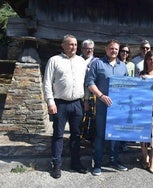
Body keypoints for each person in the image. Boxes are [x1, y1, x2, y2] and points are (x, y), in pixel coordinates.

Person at [43, 34, 88, 179]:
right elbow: (47, 83)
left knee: (76, 135)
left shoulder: (82, 61)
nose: (73, 47)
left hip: (77, 103)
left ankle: (75, 162)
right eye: (70, 44)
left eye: (75, 44)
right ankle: (56, 165)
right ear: (63, 45)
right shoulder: (54, 60)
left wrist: (86, 100)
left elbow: (86, 83)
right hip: (60, 104)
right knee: (58, 135)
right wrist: (50, 102)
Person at [85, 39, 129, 176]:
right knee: (100, 135)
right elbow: (89, 82)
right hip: (103, 106)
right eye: (112, 48)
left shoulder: (123, 66)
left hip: (118, 108)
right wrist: (100, 95)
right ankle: (97, 164)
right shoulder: (97, 64)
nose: (114, 51)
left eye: (116, 49)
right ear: (106, 49)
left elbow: (128, 84)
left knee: (115, 135)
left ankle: (114, 160)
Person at [118, 44, 135, 151]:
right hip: (117, 94)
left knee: (126, 120)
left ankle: (124, 143)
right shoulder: (116, 63)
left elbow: (133, 79)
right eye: (123, 51)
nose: (125, 53)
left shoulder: (131, 65)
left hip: (128, 94)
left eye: (127, 52)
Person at [81, 39, 98, 143]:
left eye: (91, 49)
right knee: (79, 117)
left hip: (90, 95)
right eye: (87, 49)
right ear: (82, 49)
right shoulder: (77, 59)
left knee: (90, 117)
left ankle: (90, 139)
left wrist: (86, 99)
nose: (89, 51)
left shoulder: (96, 62)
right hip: (77, 93)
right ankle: (79, 137)